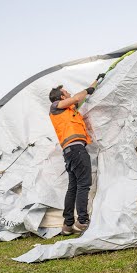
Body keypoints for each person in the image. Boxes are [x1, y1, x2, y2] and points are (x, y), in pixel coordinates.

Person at [48, 73, 105, 235]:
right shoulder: (56, 106)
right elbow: (77, 98)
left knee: (73, 187)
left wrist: (95, 81)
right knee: (83, 184)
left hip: (70, 152)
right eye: (66, 92)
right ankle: (82, 221)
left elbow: (82, 96)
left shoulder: (69, 110)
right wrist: (87, 89)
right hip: (76, 150)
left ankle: (67, 225)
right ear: (60, 96)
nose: (69, 93)